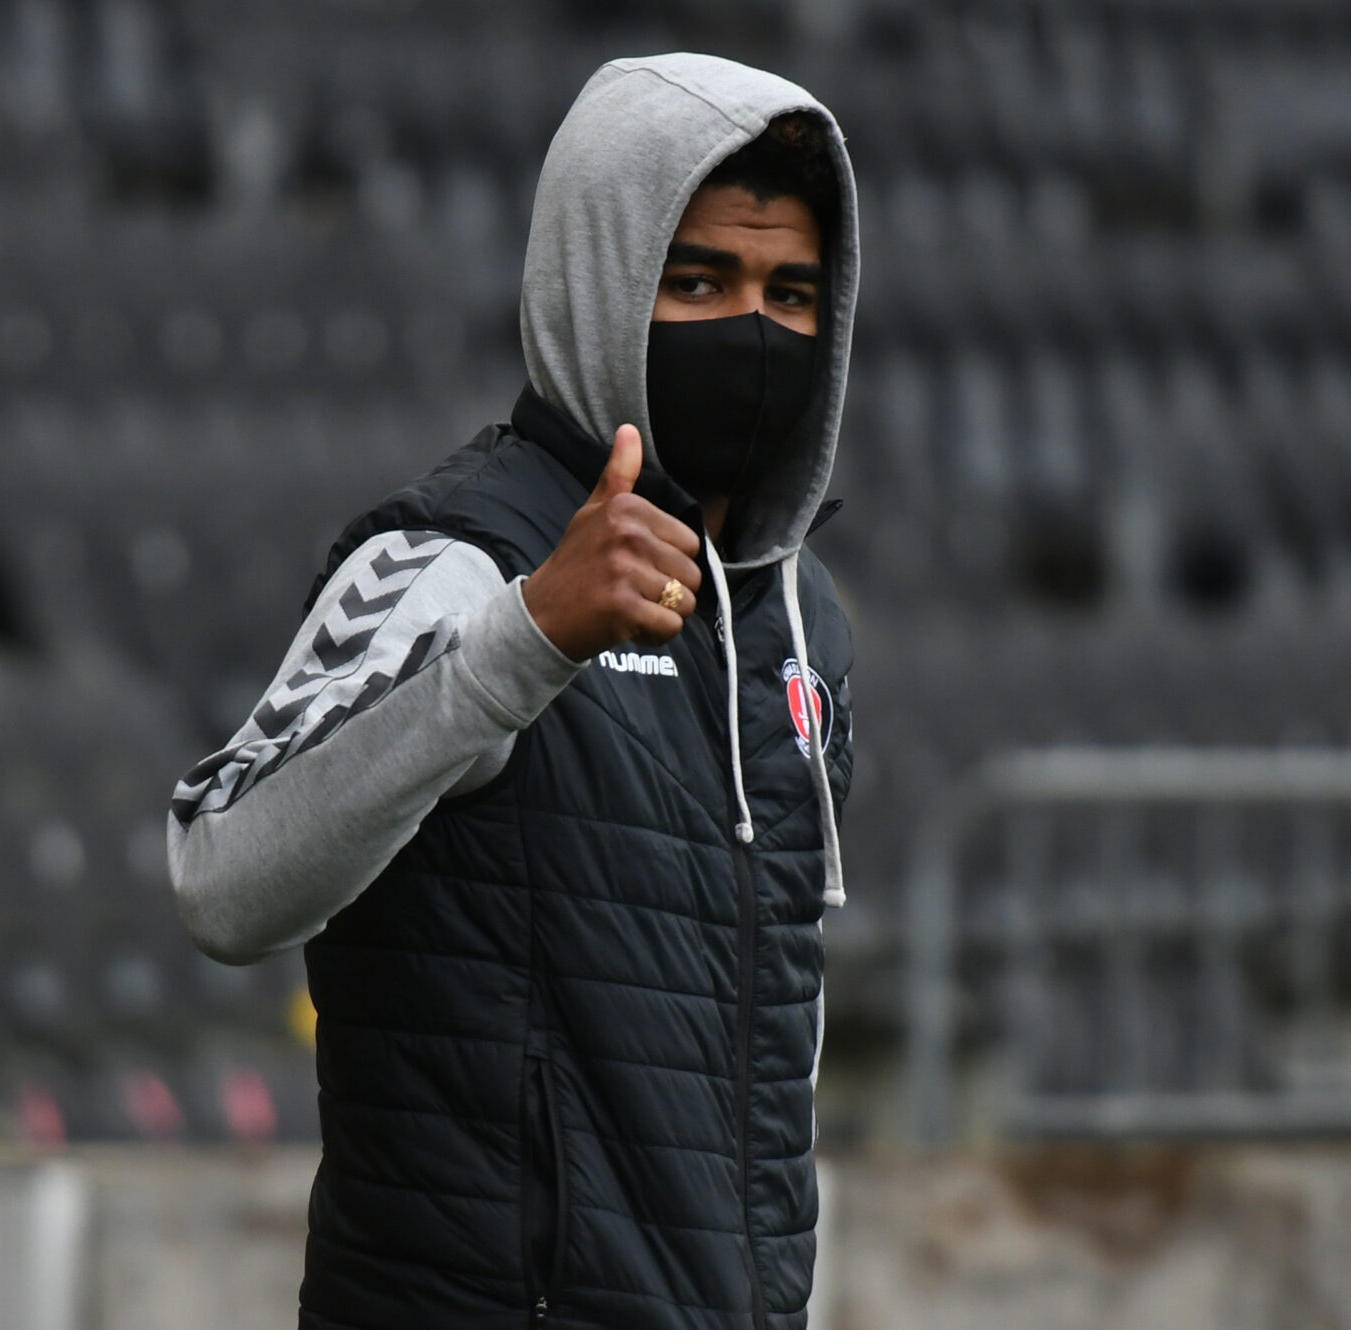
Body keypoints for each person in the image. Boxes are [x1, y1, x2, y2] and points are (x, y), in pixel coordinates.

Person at [167, 51, 860, 1330]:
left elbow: (773, 1062)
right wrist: (528, 635)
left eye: (791, 293)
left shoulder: (798, 616)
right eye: (697, 281)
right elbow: (220, 878)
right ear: (603, 280)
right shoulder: (454, 561)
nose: (754, 330)